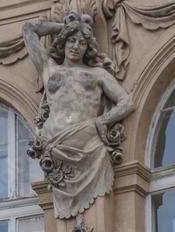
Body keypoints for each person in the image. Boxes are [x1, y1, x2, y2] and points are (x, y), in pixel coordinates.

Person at [22, 12, 135, 219]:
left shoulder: (97, 74)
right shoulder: (49, 69)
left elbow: (126, 103)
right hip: (55, 143)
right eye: (72, 40)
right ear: (63, 43)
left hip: (89, 144)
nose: (76, 46)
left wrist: (103, 120)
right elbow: (29, 29)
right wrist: (64, 26)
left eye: (82, 43)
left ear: (87, 47)